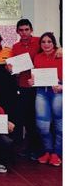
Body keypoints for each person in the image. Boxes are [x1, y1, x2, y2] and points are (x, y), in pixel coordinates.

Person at [29, 32, 62, 167]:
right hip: (42, 91)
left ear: (54, 43)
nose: (46, 44)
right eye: (43, 42)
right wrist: (32, 81)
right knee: (42, 126)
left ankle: (57, 153)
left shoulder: (61, 55)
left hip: (59, 92)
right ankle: (47, 151)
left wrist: (61, 87)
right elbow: (35, 76)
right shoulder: (37, 57)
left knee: (60, 126)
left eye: (49, 41)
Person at [10, 19, 42, 156]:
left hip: (40, 85)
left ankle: (39, 149)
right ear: (17, 31)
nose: (24, 32)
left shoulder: (40, 41)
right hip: (23, 86)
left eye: (26, 29)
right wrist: (11, 68)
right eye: (21, 30)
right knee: (25, 118)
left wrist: (60, 50)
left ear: (31, 30)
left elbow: (52, 49)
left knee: (38, 118)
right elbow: (12, 67)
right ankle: (28, 148)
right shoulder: (15, 47)